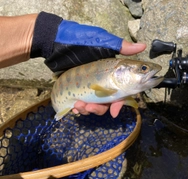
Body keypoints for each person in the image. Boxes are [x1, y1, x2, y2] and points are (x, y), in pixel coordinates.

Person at [0, 11, 146, 118]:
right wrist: (45, 34)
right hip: (59, 97)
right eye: (143, 69)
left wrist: (42, 35)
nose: (145, 71)